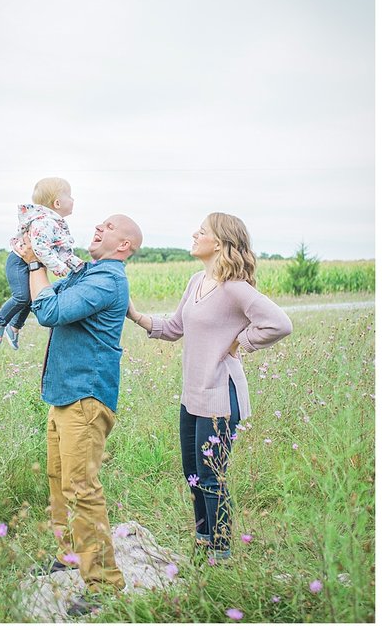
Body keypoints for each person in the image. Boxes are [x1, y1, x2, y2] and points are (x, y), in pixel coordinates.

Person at [125, 212, 291, 561]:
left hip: (220, 394)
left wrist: (240, 342)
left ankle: (222, 553)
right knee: (193, 475)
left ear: (217, 243)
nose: (193, 235)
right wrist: (136, 315)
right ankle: (203, 542)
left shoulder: (235, 288)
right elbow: (173, 328)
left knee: (211, 478)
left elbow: (279, 323)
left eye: (200, 232)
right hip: (193, 394)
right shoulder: (195, 282)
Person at [18, 213, 142, 617]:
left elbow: (49, 312)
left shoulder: (108, 281)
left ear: (123, 245)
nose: (98, 228)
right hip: (63, 393)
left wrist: (36, 264)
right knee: (59, 480)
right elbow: (49, 293)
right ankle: (68, 556)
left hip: (86, 397)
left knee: (81, 488)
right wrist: (37, 252)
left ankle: (105, 584)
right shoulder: (88, 273)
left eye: (109, 226)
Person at [0, 177, 83, 351]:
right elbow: (39, 248)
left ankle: (14, 327)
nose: (73, 200)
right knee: (22, 297)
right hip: (19, 262)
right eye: (70, 196)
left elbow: (63, 250)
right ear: (57, 203)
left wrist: (78, 266)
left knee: (32, 298)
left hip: (29, 262)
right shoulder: (44, 222)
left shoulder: (55, 223)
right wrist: (58, 266)